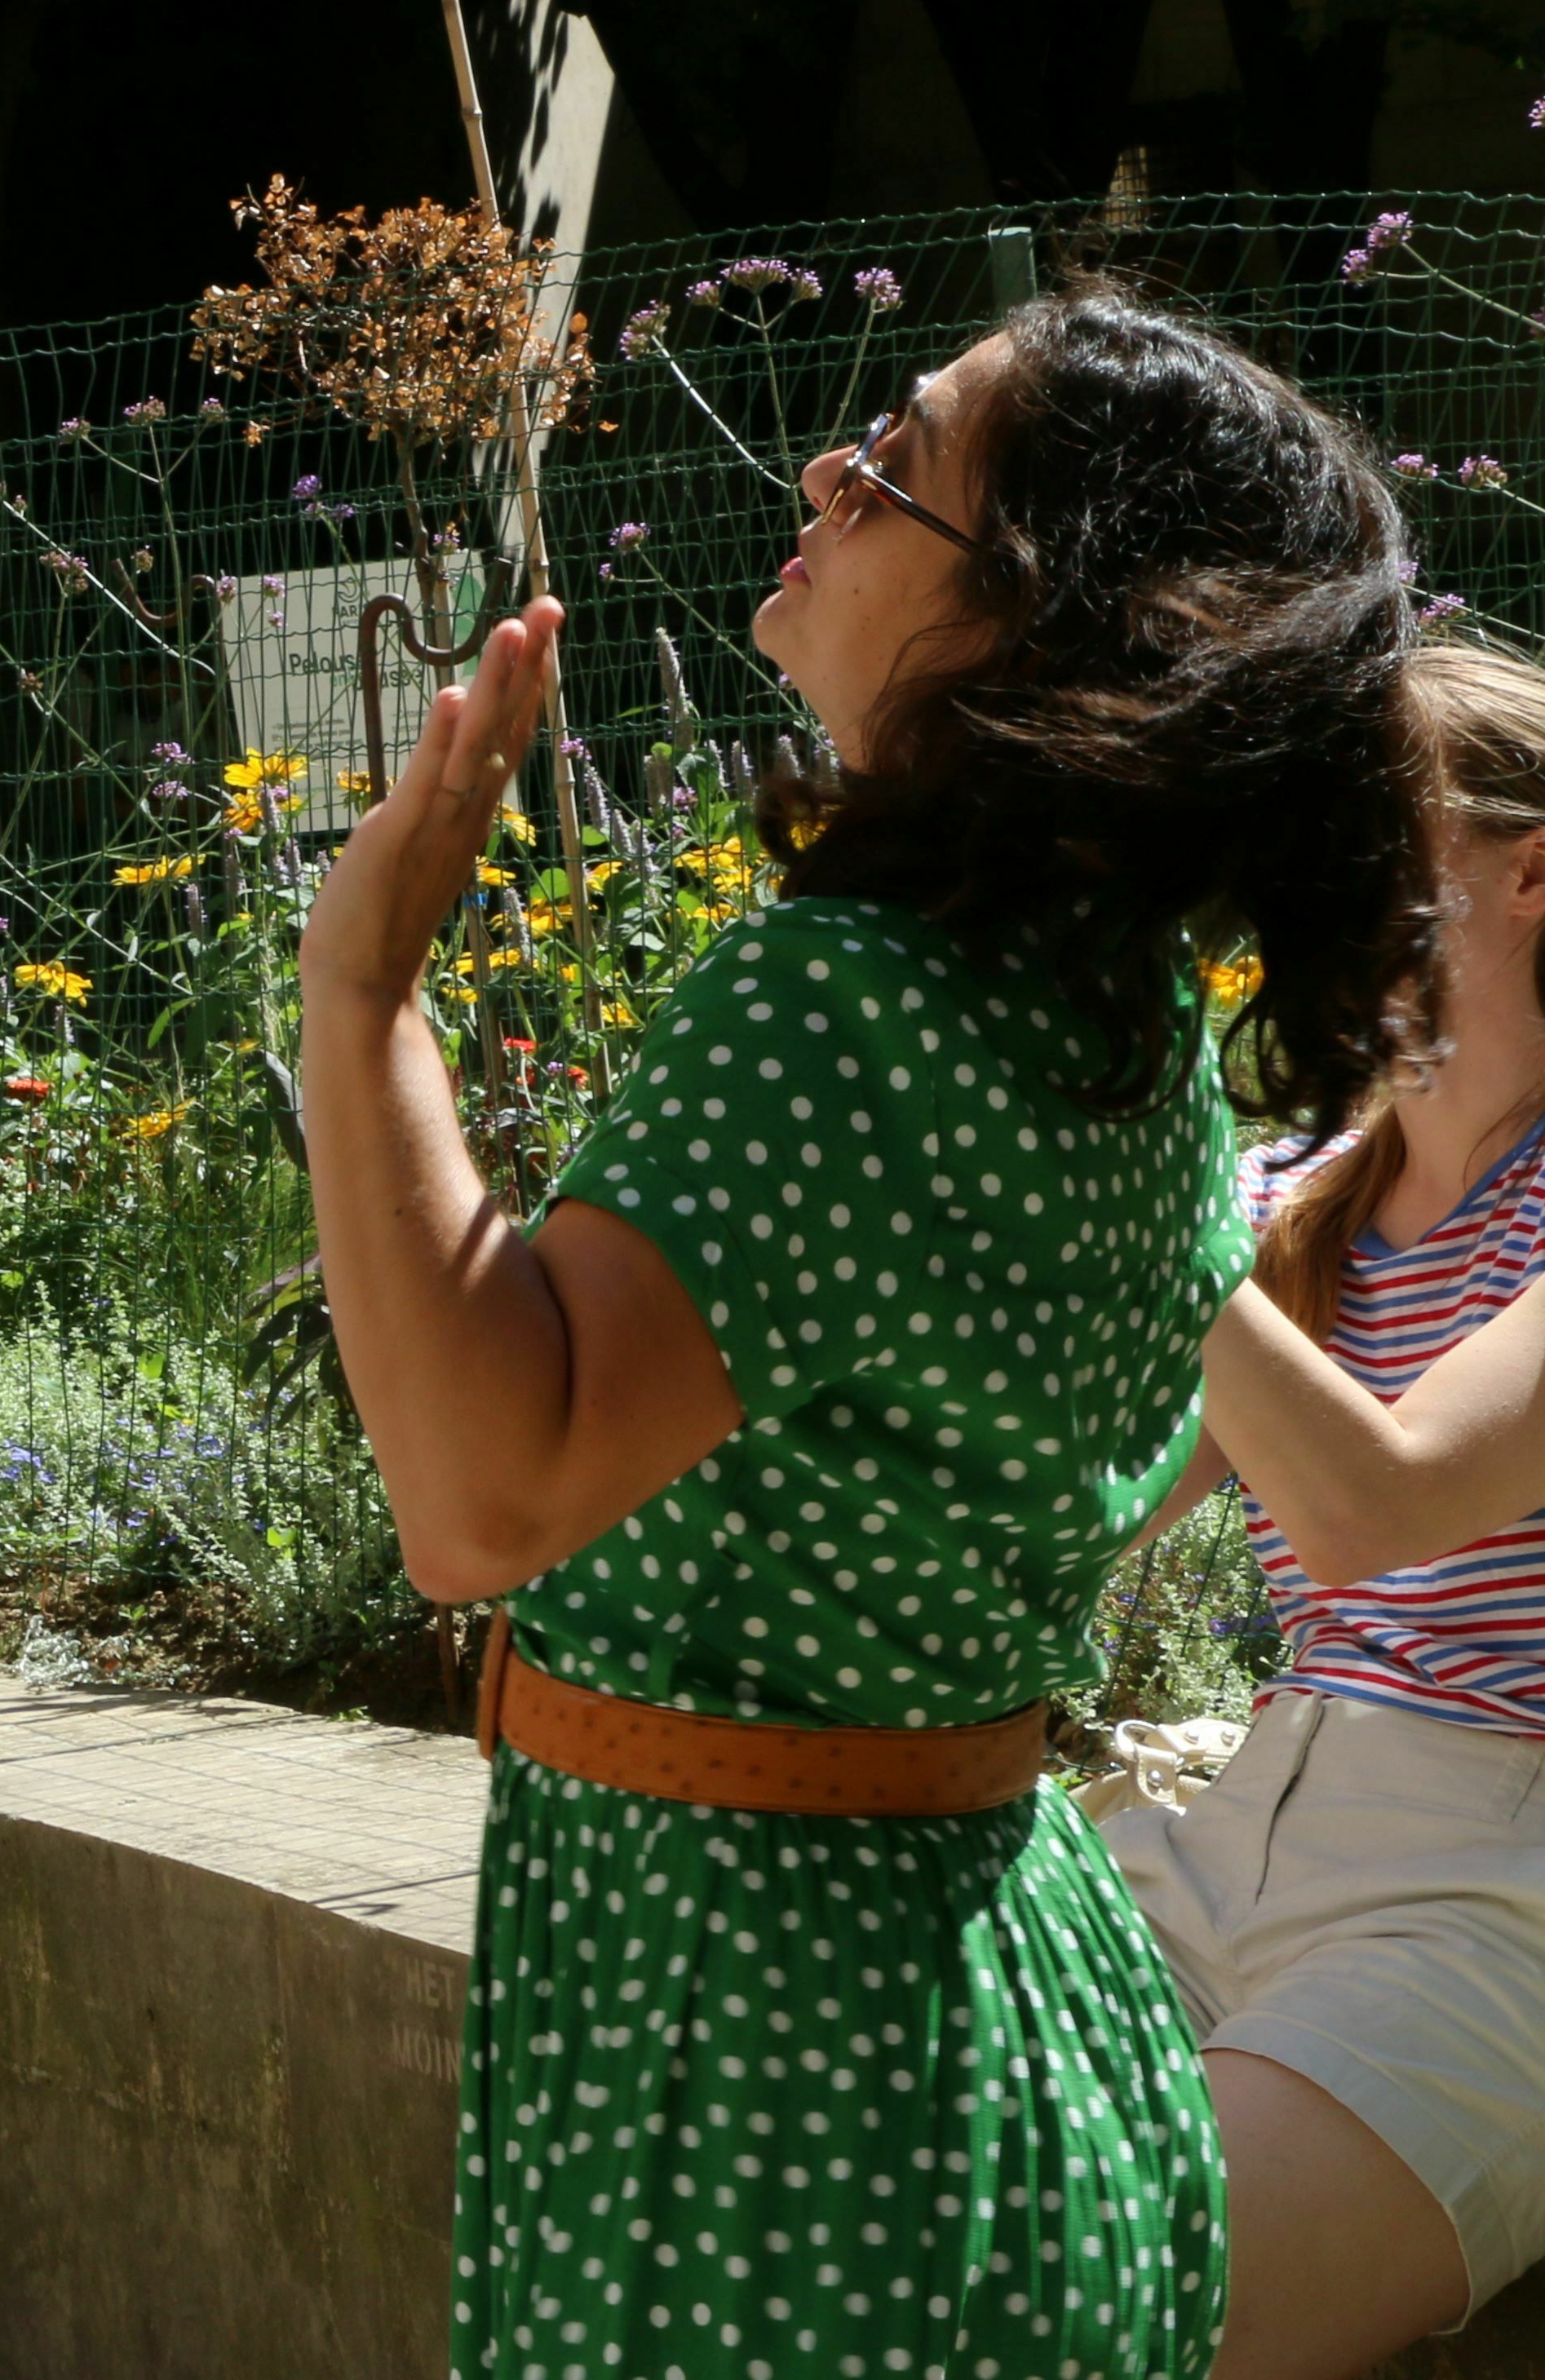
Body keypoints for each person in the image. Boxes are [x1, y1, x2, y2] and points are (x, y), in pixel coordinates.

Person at [298, 288, 1451, 2380]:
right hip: (995, 2034)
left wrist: (361, 996)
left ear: (1032, 616)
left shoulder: (842, 1004)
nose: (824, 477)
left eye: (896, 460)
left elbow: (481, 1495)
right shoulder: (1118, 1032)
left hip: (759, 2084)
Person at [1110, 639, 1545, 2375]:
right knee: (836, 2219)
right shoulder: (1287, 1195)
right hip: (1242, 1823)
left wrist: (1124, 1178)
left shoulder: (1219, 1215)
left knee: (1125, 2312)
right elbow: (1084, 1509)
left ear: (1531, 872)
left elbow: (1387, 1498)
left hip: (1498, 1891)